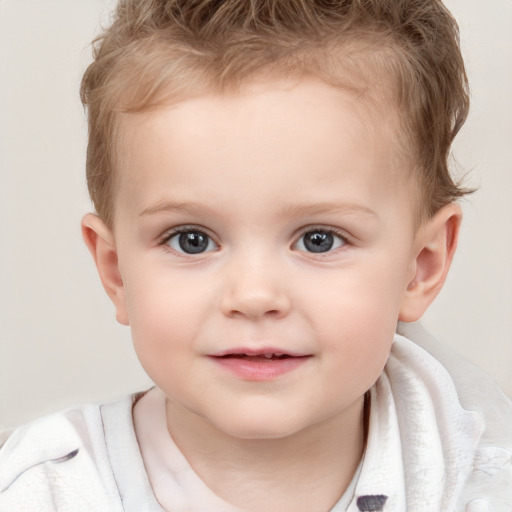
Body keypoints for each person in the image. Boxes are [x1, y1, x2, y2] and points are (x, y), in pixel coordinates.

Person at [0, 0, 511, 510]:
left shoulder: (483, 482)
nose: (254, 296)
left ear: (421, 266)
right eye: (191, 239)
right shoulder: (40, 493)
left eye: (319, 239)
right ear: (116, 272)